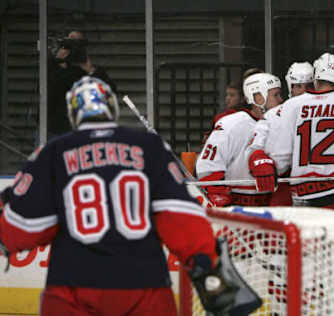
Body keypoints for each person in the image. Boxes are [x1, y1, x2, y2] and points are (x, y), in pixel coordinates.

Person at [0, 76, 260, 316]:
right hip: (145, 289)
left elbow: (23, 227)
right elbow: (180, 218)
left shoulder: (52, 153)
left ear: (73, 113)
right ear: (112, 108)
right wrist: (203, 260)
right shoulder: (149, 146)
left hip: (72, 290)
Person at [247, 53, 334, 212]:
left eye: (305, 84)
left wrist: (260, 159)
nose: (300, 89)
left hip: (303, 194)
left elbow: (279, 157)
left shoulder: (291, 106)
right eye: (297, 85)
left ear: (315, 77)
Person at [196, 73, 283, 207]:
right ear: (258, 97)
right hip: (238, 203)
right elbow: (207, 164)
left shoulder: (280, 123)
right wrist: (217, 194)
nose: (280, 100)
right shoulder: (232, 124)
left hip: (270, 203)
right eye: (275, 95)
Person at [47, 30, 116, 139]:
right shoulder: (51, 67)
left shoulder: (91, 71)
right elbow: (47, 93)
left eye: (77, 45)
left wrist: (90, 70)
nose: (74, 50)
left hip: (84, 131)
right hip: (54, 130)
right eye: (70, 44)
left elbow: (111, 92)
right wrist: (59, 62)